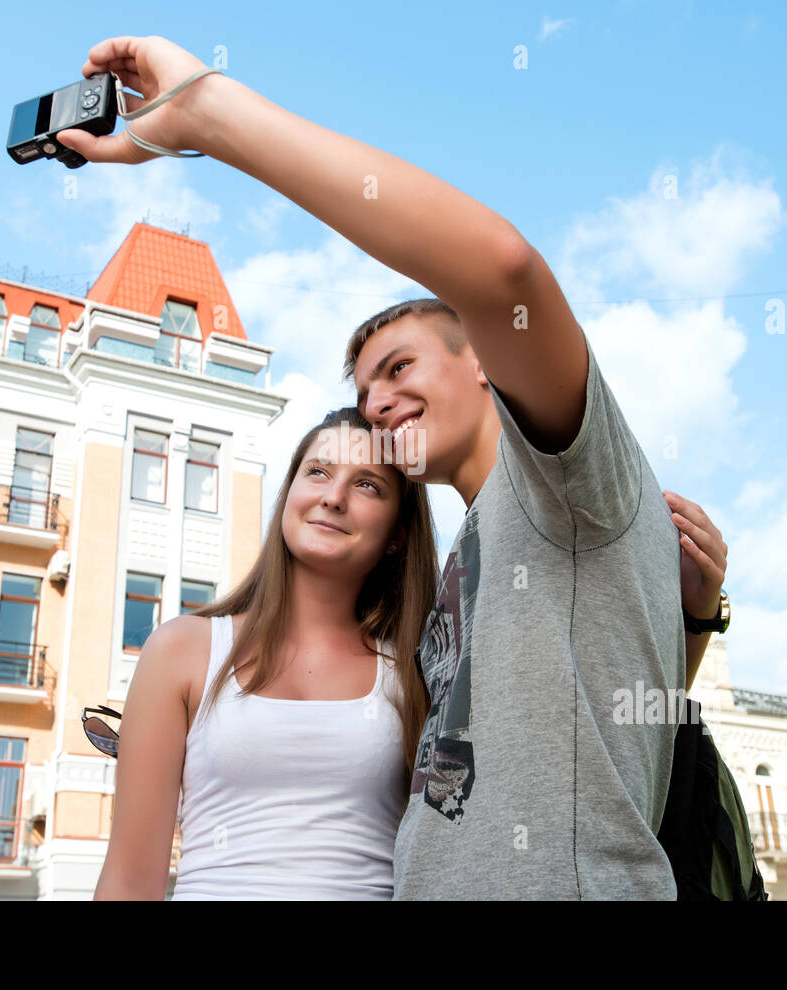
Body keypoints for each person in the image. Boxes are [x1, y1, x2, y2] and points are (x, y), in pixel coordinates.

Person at [65, 36, 730, 900]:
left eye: (399, 369)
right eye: (362, 389)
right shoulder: (474, 556)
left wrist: (209, 115)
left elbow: (503, 268)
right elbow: (599, 714)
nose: (376, 405)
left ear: (487, 359)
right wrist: (693, 620)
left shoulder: (561, 474)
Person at [94, 408, 439, 899]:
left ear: (398, 535)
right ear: (289, 496)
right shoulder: (181, 650)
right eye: (317, 471)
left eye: (367, 485)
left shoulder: (415, 671)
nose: (333, 497)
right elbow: (129, 880)